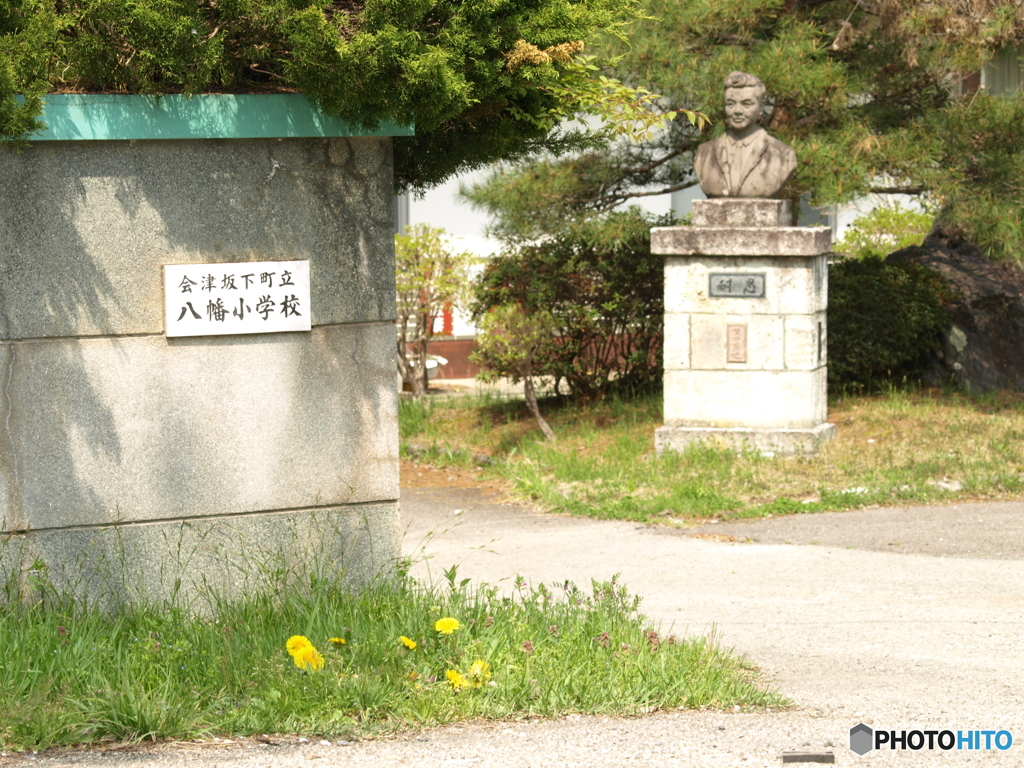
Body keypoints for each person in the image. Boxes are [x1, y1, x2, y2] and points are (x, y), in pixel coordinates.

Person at [694, 71, 797, 199]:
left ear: (761, 107)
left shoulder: (782, 154)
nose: (737, 111)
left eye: (746, 104)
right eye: (730, 103)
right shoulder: (705, 153)